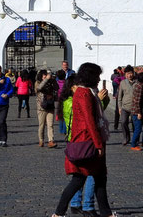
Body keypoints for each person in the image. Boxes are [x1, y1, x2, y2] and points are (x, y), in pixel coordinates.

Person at [52, 62, 118, 217]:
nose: (98, 79)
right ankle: (58, 213)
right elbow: (89, 121)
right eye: (96, 76)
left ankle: (106, 213)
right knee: (80, 179)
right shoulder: (84, 94)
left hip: (87, 139)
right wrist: (98, 143)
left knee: (97, 178)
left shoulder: (87, 92)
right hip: (87, 141)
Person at [36, 70, 59, 148]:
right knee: (41, 125)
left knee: (50, 125)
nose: (46, 76)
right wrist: (46, 80)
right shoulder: (38, 83)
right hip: (41, 107)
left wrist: (53, 80)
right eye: (44, 75)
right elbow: (39, 88)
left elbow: (57, 88)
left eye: (47, 75)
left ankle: (51, 141)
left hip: (50, 105)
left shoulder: (51, 82)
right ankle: (41, 140)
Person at [130, 72, 143, 151]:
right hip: (137, 111)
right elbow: (136, 101)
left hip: (142, 111)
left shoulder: (140, 86)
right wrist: (138, 113)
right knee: (138, 128)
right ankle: (133, 144)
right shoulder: (138, 87)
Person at [118, 65, 135, 146]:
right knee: (124, 122)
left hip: (135, 107)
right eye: (128, 73)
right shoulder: (122, 83)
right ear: (125, 74)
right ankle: (126, 138)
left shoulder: (137, 82)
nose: (130, 75)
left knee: (134, 124)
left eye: (131, 73)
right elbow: (120, 96)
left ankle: (135, 139)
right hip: (125, 107)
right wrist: (119, 107)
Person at [56, 69, 67, 135]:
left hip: (59, 99)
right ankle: (65, 129)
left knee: (60, 115)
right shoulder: (66, 83)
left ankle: (61, 129)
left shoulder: (57, 83)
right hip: (65, 99)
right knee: (65, 114)